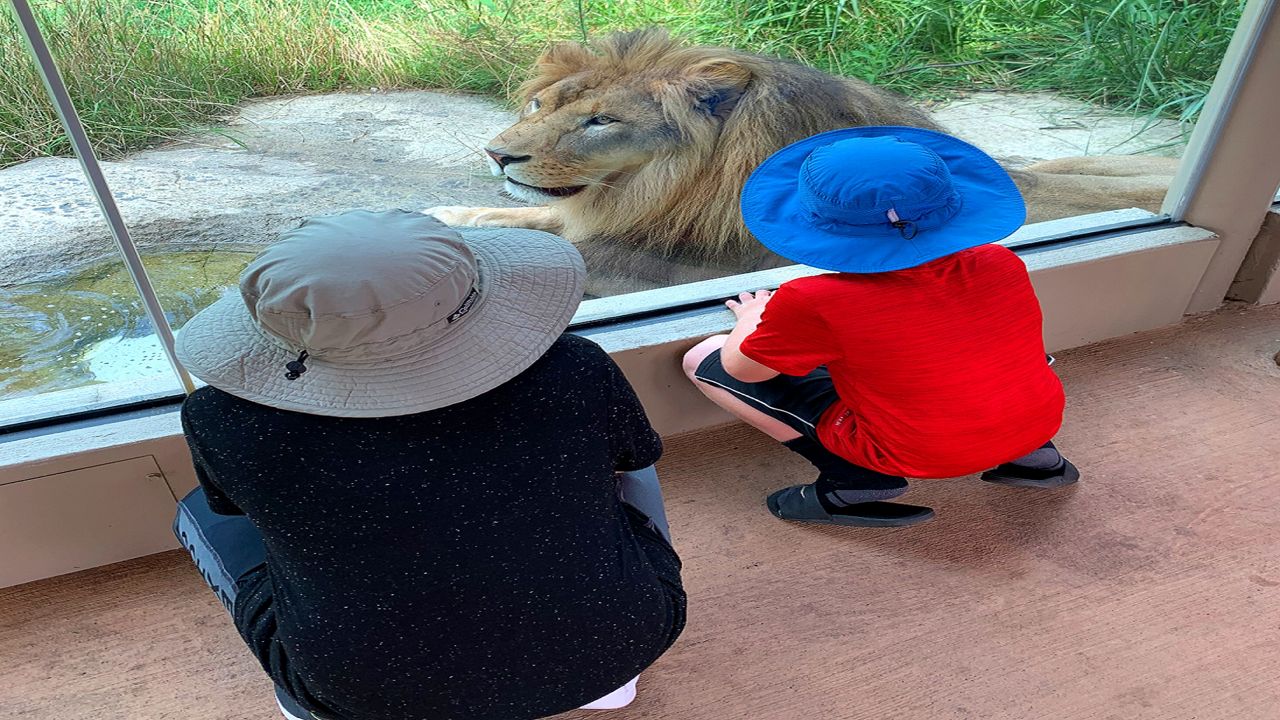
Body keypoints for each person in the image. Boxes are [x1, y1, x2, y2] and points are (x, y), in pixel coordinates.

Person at [170, 210, 685, 720]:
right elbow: (633, 459)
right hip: (621, 641)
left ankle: (301, 704)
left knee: (204, 512)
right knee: (631, 459)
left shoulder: (222, 418)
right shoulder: (576, 367)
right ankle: (609, 687)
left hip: (362, 694)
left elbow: (235, 508)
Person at [682, 127, 1077, 528]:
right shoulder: (999, 262)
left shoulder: (813, 300)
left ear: (814, 223)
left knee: (702, 358)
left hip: (921, 452)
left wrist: (752, 319)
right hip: (1038, 418)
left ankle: (855, 483)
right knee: (966, 361)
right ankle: (1037, 459)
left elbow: (744, 369)